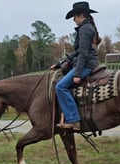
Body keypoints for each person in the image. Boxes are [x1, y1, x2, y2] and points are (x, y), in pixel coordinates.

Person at [51, 1, 101, 131]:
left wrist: (77, 73)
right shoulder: (88, 27)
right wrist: (59, 63)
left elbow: (83, 54)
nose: (73, 19)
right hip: (87, 62)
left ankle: (74, 120)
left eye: (75, 16)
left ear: (81, 15)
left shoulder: (85, 29)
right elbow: (78, 52)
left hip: (86, 65)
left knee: (60, 86)